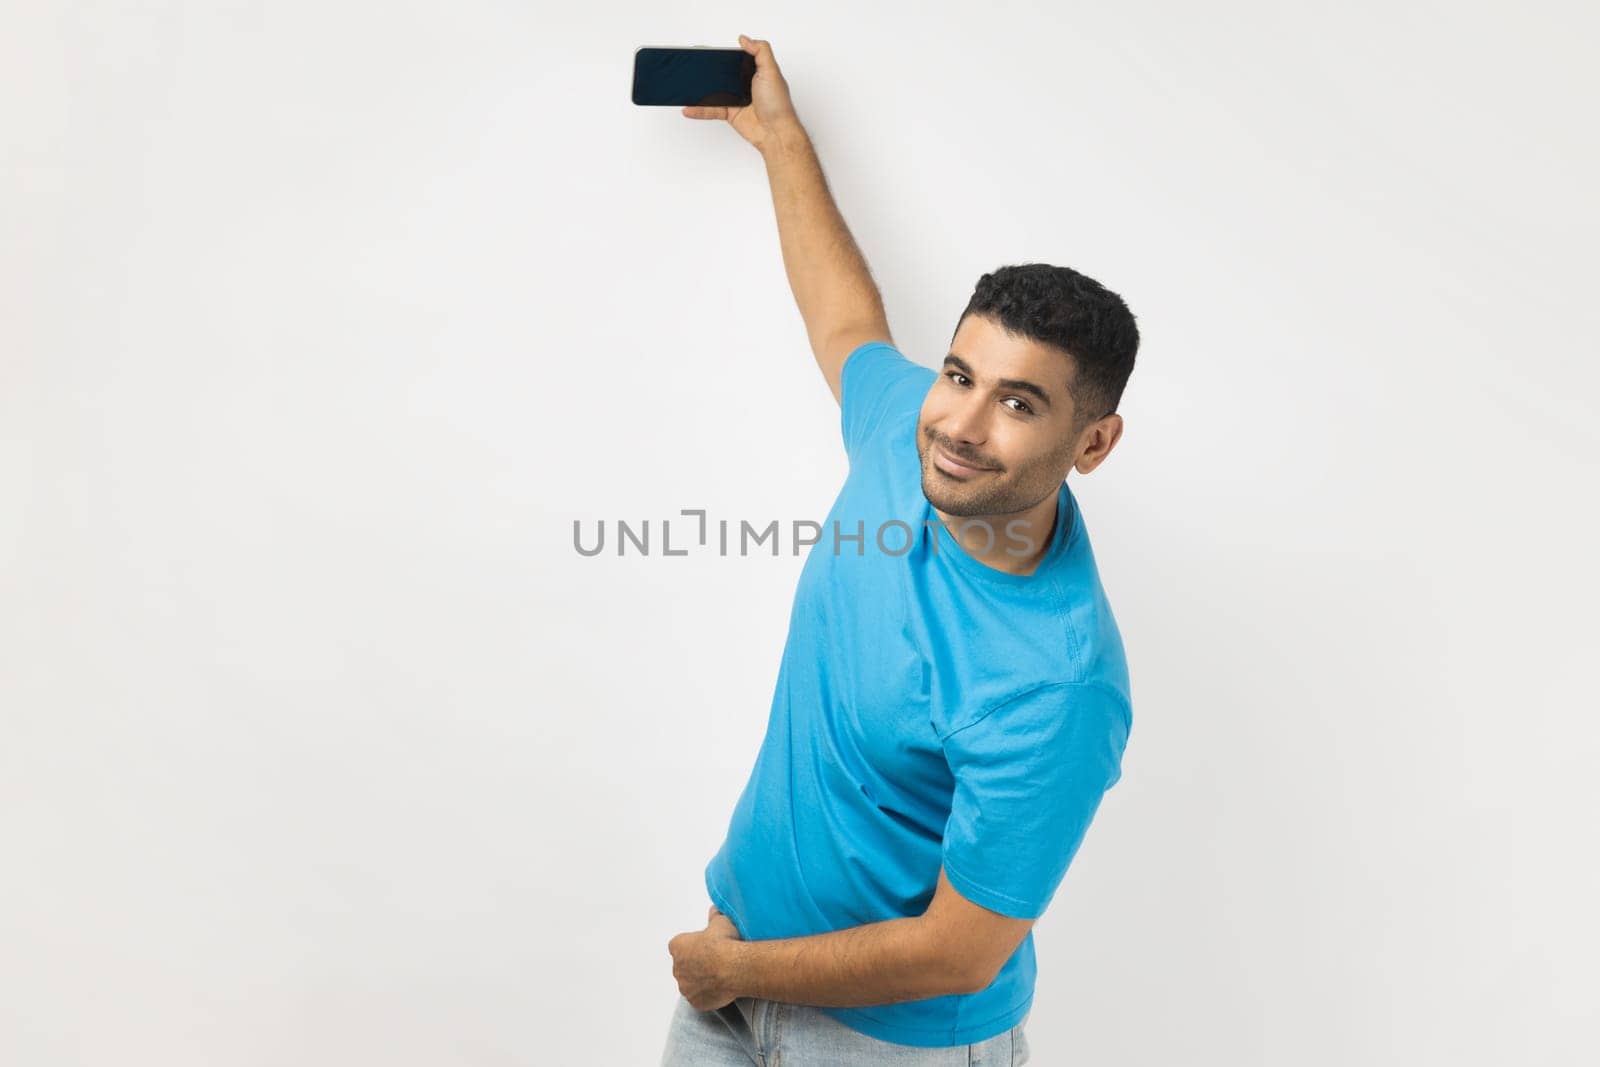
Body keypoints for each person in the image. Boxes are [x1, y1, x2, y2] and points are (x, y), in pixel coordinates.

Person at [661, 33, 1140, 1065]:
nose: (960, 423)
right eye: (958, 373)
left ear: (1091, 442)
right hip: (728, 986)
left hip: (886, 1044)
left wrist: (729, 970)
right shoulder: (907, 435)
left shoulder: (1058, 683)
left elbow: (960, 952)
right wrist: (780, 142)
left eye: (1017, 401)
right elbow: (841, 317)